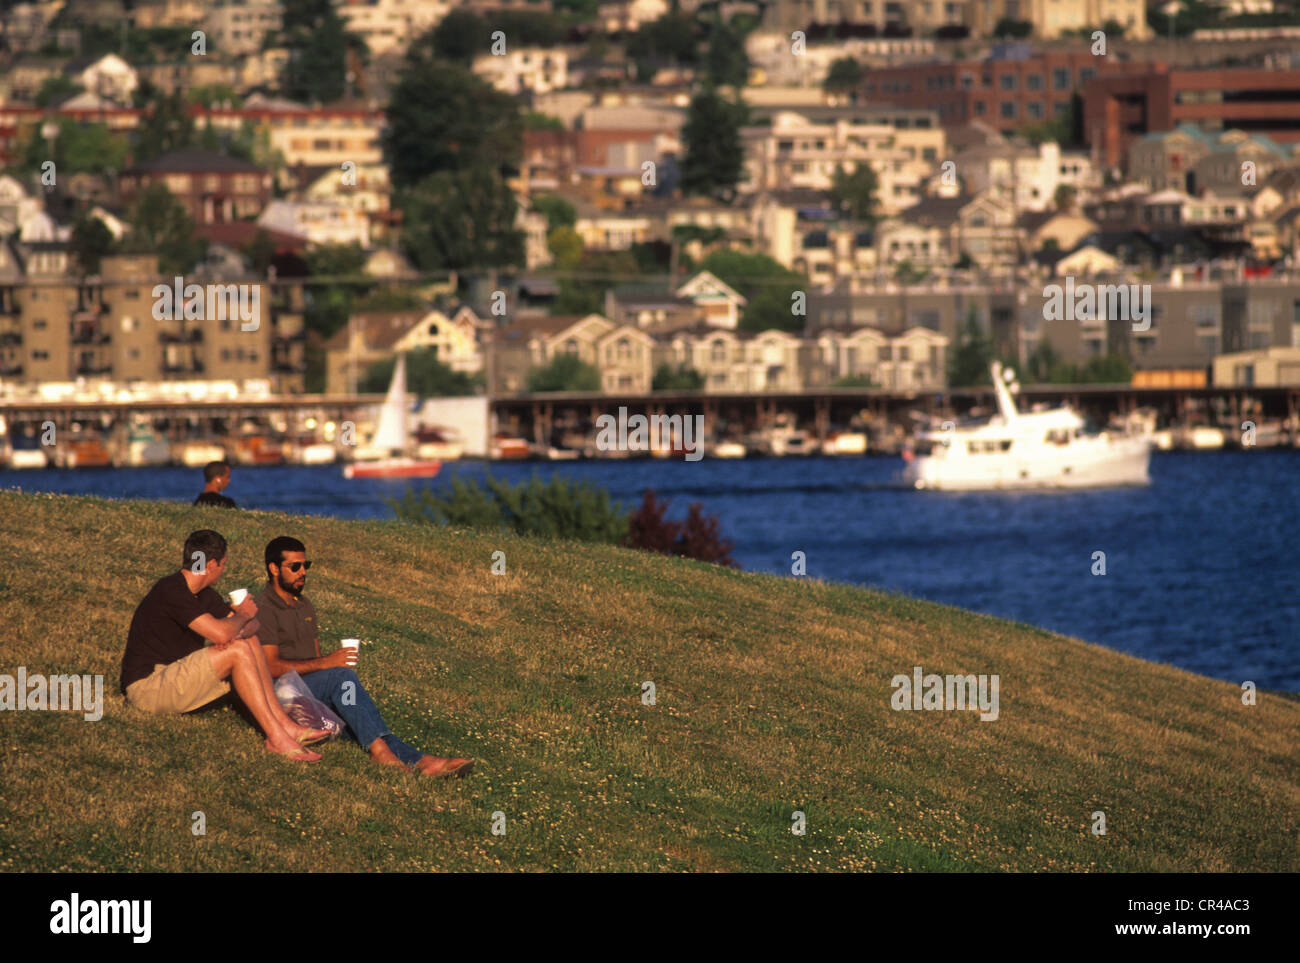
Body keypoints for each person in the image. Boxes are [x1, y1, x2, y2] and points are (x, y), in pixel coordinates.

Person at [253, 535, 474, 778]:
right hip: (282, 694)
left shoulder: (304, 605)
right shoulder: (264, 608)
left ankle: (423, 761)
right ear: (274, 568)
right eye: (295, 567)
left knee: (359, 716)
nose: (303, 572)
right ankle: (380, 753)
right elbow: (270, 667)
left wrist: (327, 668)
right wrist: (327, 664)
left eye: (306, 565)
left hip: (309, 688)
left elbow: (317, 663)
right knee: (343, 679)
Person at [120, 529, 329, 762]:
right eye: (223, 564)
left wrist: (238, 625)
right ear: (211, 565)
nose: (224, 569)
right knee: (237, 649)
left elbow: (253, 627)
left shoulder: (204, 595)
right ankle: (276, 738)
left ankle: (285, 725)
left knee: (246, 641)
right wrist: (240, 618)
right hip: (148, 689)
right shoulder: (172, 590)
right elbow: (220, 633)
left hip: (174, 677)